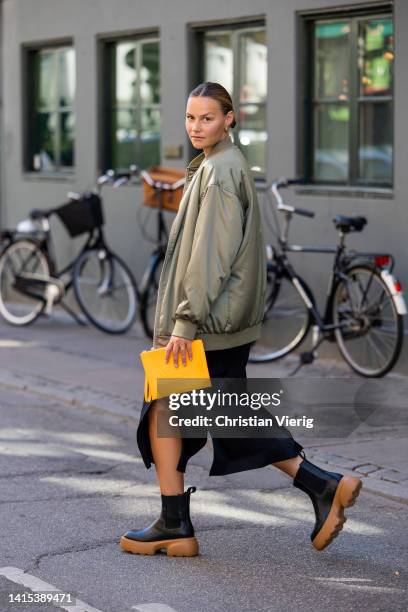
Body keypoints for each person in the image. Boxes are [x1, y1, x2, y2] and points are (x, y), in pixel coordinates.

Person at [120, 82, 362, 557]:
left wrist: (184, 324)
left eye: (206, 118)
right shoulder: (215, 165)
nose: (195, 127)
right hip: (212, 320)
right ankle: (176, 523)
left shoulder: (221, 172)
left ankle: (321, 485)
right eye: (190, 118)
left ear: (231, 118)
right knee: (172, 411)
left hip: (205, 324)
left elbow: (211, 255)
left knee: (221, 414)